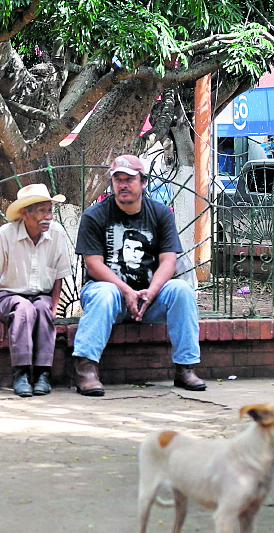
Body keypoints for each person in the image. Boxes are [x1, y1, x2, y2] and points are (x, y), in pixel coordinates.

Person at [71, 154, 205, 395]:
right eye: (118, 179)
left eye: (129, 179)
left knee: (181, 291)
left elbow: (169, 260)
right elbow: (93, 264)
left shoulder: (161, 213)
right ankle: (86, 371)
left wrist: (152, 292)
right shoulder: (95, 215)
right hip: (109, 293)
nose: (123, 184)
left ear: (143, 182)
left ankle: (186, 368)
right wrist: (126, 291)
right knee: (104, 292)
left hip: (149, 296)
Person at [0, 183, 76, 397]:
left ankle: (43, 374)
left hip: (41, 296)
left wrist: (53, 307)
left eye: (49, 210)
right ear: (25, 213)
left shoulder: (57, 233)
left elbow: (59, 276)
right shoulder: (6, 233)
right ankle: (21, 373)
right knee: (24, 309)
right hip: (10, 297)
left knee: (42, 310)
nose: (48, 217)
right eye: (41, 210)